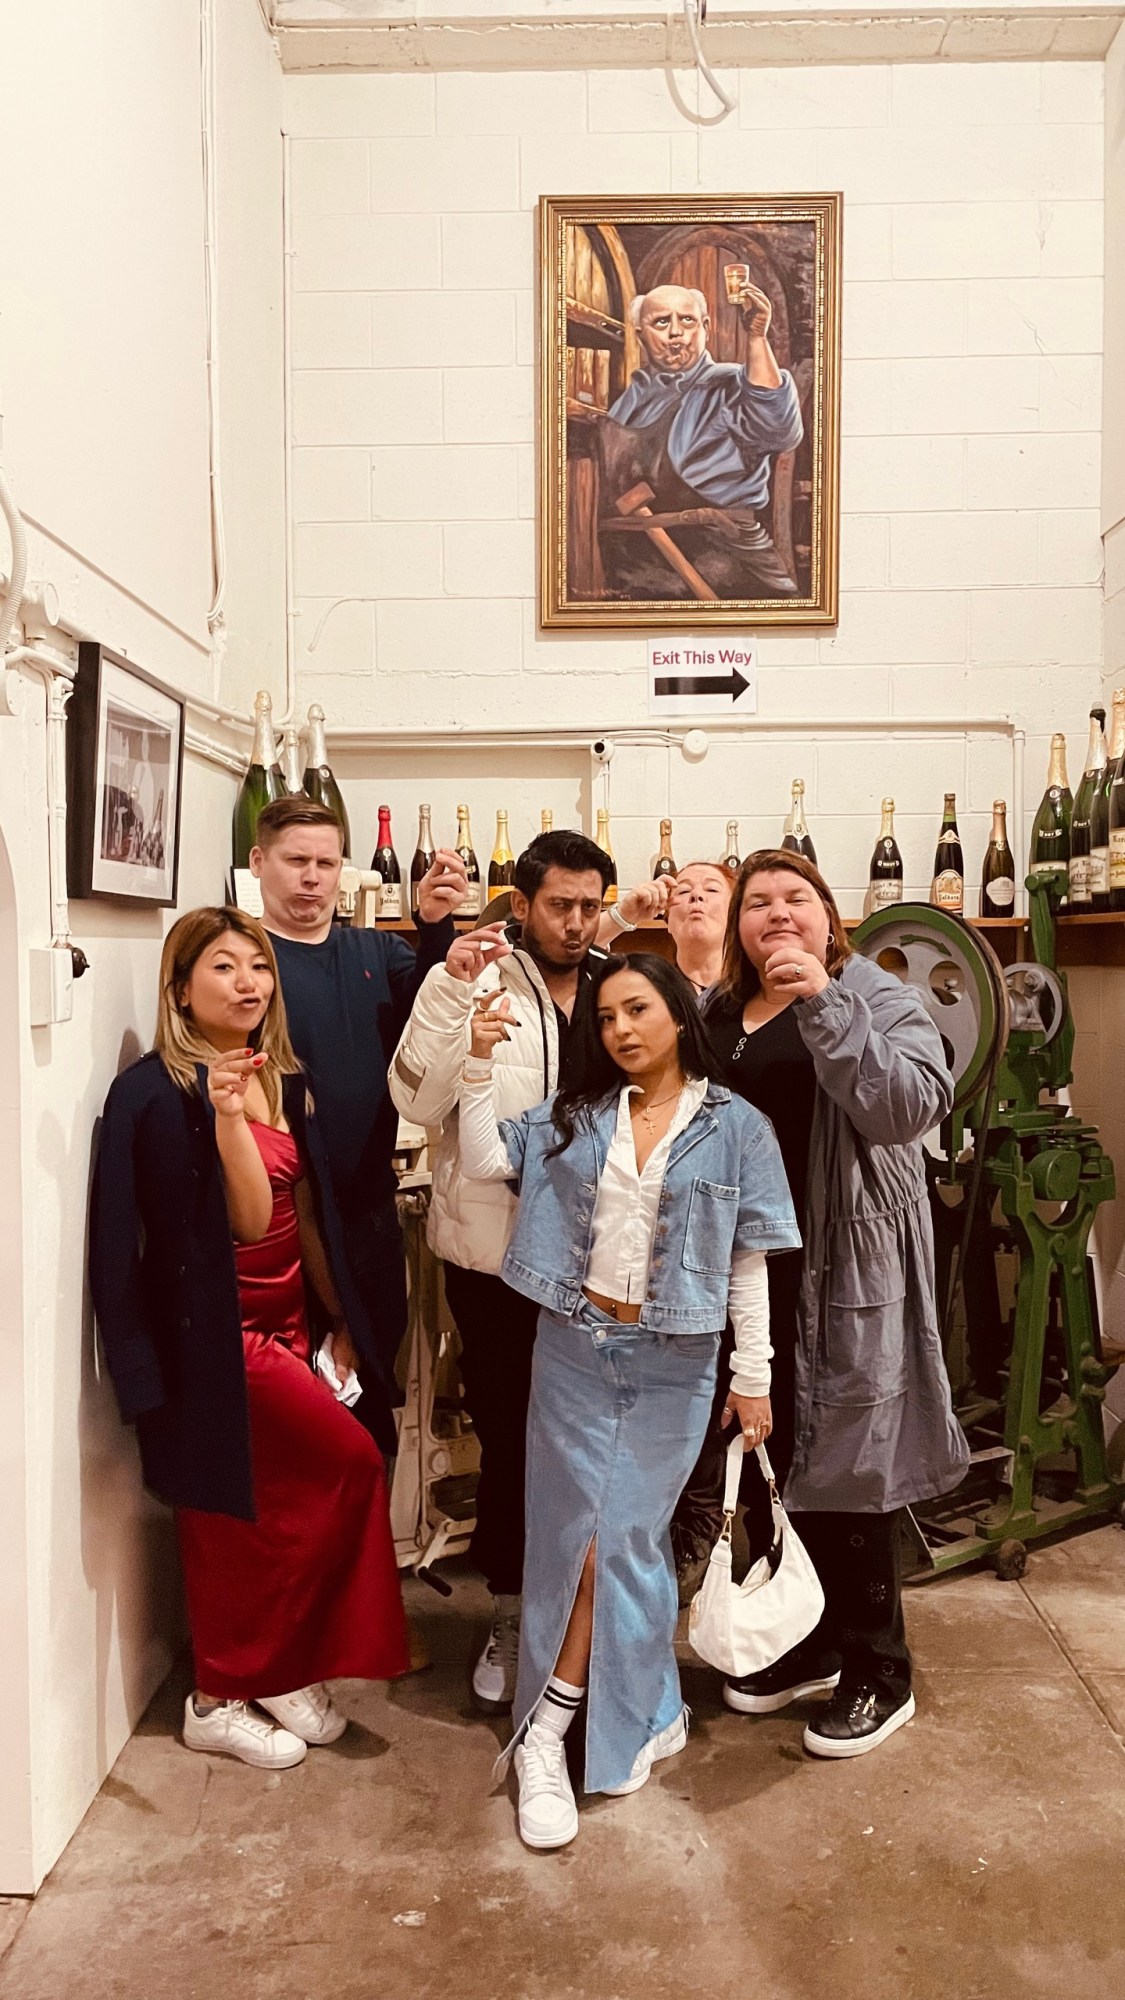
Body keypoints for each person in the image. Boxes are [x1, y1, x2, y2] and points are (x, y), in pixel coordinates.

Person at [457, 952, 799, 1849]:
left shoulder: (736, 1128)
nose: (620, 1031)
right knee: (574, 1542)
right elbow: (487, 1153)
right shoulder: (577, 1117)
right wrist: (474, 1063)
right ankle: (552, 1732)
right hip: (572, 1351)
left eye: (637, 1009)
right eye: (605, 1019)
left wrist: (752, 1373)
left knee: (627, 1545)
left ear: (678, 1014)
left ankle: (601, 1714)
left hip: (674, 1365)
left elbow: (747, 1258)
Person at [89, 908, 409, 1769]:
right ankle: (213, 1695)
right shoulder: (154, 1092)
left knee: (278, 1501)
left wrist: (339, 1319)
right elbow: (165, 1233)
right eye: (224, 968)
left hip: (284, 1319)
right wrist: (138, 1372)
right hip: (216, 1340)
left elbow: (302, 1213)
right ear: (179, 988)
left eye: (257, 967)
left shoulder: (284, 1079)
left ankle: (274, 1666)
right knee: (257, 1501)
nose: (247, 984)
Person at [388, 831, 667, 1715]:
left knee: (588, 1445)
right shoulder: (470, 977)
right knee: (511, 1438)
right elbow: (411, 1101)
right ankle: (510, 1616)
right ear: (522, 905)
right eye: (560, 905)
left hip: (597, 1259)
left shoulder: (616, 989)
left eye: (591, 905)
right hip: (492, 1255)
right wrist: (445, 994)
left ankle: (582, 1624)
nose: (577, 922)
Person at [704, 850, 969, 1757]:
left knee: (849, 1470)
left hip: (843, 1263)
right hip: (747, 1270)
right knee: (772, 1456)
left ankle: (877, 1672)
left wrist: (821, 1000)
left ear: (828, 914)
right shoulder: (722, 1013)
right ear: (739, 924)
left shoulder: (876, 995)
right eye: (758, 903)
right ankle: (810, 1641)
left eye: (796, 899)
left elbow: (905, 1108)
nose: (777, 914)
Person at [249, 796, 465, 1458]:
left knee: (370, 1392)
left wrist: (434, 925)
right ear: (259, 863)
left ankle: (368, 1552)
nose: (312, 877)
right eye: (295, 861)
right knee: (292, 1407)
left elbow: (433, 1007)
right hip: (278, 1222)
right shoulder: (242, 960)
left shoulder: (376, 950)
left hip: (370, 1208)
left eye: (325, 862)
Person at [597, 282, 804, 600]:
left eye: (687, 320)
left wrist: (757, 338)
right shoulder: (631, 398)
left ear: (705, 327)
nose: (675, 332)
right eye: (661, 322)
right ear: (640, 334)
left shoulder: (729, 386)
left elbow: (781, 431)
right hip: (634, 566)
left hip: (725, 566)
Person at [665, 860, 733, 1000]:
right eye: (684, 891)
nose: (696, 894)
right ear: (668, 921)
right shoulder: (651, 991)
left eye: (712, 889)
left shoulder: (757, 993)